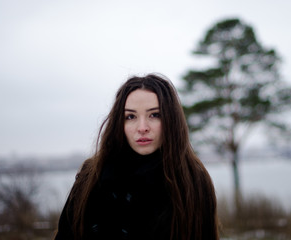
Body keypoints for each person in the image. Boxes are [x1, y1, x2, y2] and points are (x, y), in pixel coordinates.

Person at [54, 73, 219, 240]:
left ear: (171, 120)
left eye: (154, 115)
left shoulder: (193, 179)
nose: (142, 127)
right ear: (120, 122)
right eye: (131, 117)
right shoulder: (91, 175)